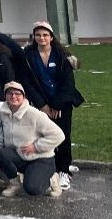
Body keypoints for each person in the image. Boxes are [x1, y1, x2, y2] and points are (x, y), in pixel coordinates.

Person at [16, 21, 84, 190]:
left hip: (62, 103)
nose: (42, 38)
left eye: (45, 35)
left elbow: (67, 83)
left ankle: (63, 170)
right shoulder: (28, 56)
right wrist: (43, 106)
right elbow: (28, 83)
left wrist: (58, 105)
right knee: (43, 136)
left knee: (63, 136)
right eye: (38, 35)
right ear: (34, 37)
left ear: (51, 37)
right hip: (42, 104)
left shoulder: (62, 56)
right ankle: (49, 168)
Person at [0, 80, 65, 197]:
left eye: (17, 94)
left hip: (41, 158)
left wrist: (36, 146)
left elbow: (59, 135)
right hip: (20, 156)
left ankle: (52, 178)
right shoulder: (3, 113)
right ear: (5, 96)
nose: (13, 96)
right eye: (10, 93)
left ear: (23, 96)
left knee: (32, 189)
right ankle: (14, 182)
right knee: (1, 154)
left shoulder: (34, 114)